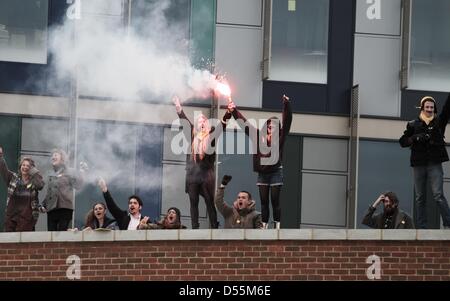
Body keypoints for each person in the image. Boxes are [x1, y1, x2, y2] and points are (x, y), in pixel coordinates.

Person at [229, 95, 292, 229]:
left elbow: (287, 122)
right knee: (264, 201)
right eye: (269, 124)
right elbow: (244, 124)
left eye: (274, 125)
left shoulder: (280, 138)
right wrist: (234, 111)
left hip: (275, 172)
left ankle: (277, 226)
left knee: (274, 200)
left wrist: (286, 105)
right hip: (263, 173)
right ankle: (264, 226)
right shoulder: (258, 135)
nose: (271, 126)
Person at [173, 95, 232, 229]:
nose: (201, 121)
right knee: (193, 201)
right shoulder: (193, 135)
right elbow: (184, 121)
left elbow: (221, 126)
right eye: (199, 120)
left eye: (203, 120)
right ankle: (195, 227)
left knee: (209, 201)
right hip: (193, 174)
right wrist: (178, 105)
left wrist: (228, 113)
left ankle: (214, 225)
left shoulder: (211, 136)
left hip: (206, 174)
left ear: (206, 123)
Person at [399, 94, 450, 229]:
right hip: (418, 164)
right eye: (427, 107)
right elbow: (402, 142)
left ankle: (448, 223)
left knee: (438, 195)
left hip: (434, 163)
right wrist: (415, 138)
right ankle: (422, 227)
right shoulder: (412, 124)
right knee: (420, 197)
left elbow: (446, 109)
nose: (429, 109)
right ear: (422, 108)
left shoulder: (439, 122)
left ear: (435, 109)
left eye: (432, 107)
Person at [0, 146, 44, 232]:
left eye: (28, 166)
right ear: (20, 166)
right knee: (9, 242)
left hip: (27, 220)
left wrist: (34, 171)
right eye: (23, 165)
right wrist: (0, 156)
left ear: (31, 168)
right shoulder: (13, 177)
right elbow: (3, 169)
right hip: (11, 218)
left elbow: (40, 185)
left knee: (24, 244)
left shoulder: (34, 182)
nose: (25, 167)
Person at [41, 149, 85, 231]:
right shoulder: (52, 175)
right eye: (52, 156)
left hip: (65, 208)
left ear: (62, 159)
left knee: (62, 234)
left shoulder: (70, 172)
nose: (53, 157)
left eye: (56, 155)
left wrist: (82, 172)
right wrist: (44, 205)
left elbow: (78, 185)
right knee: (51, 235)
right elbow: (49, 193)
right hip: (52, 209)